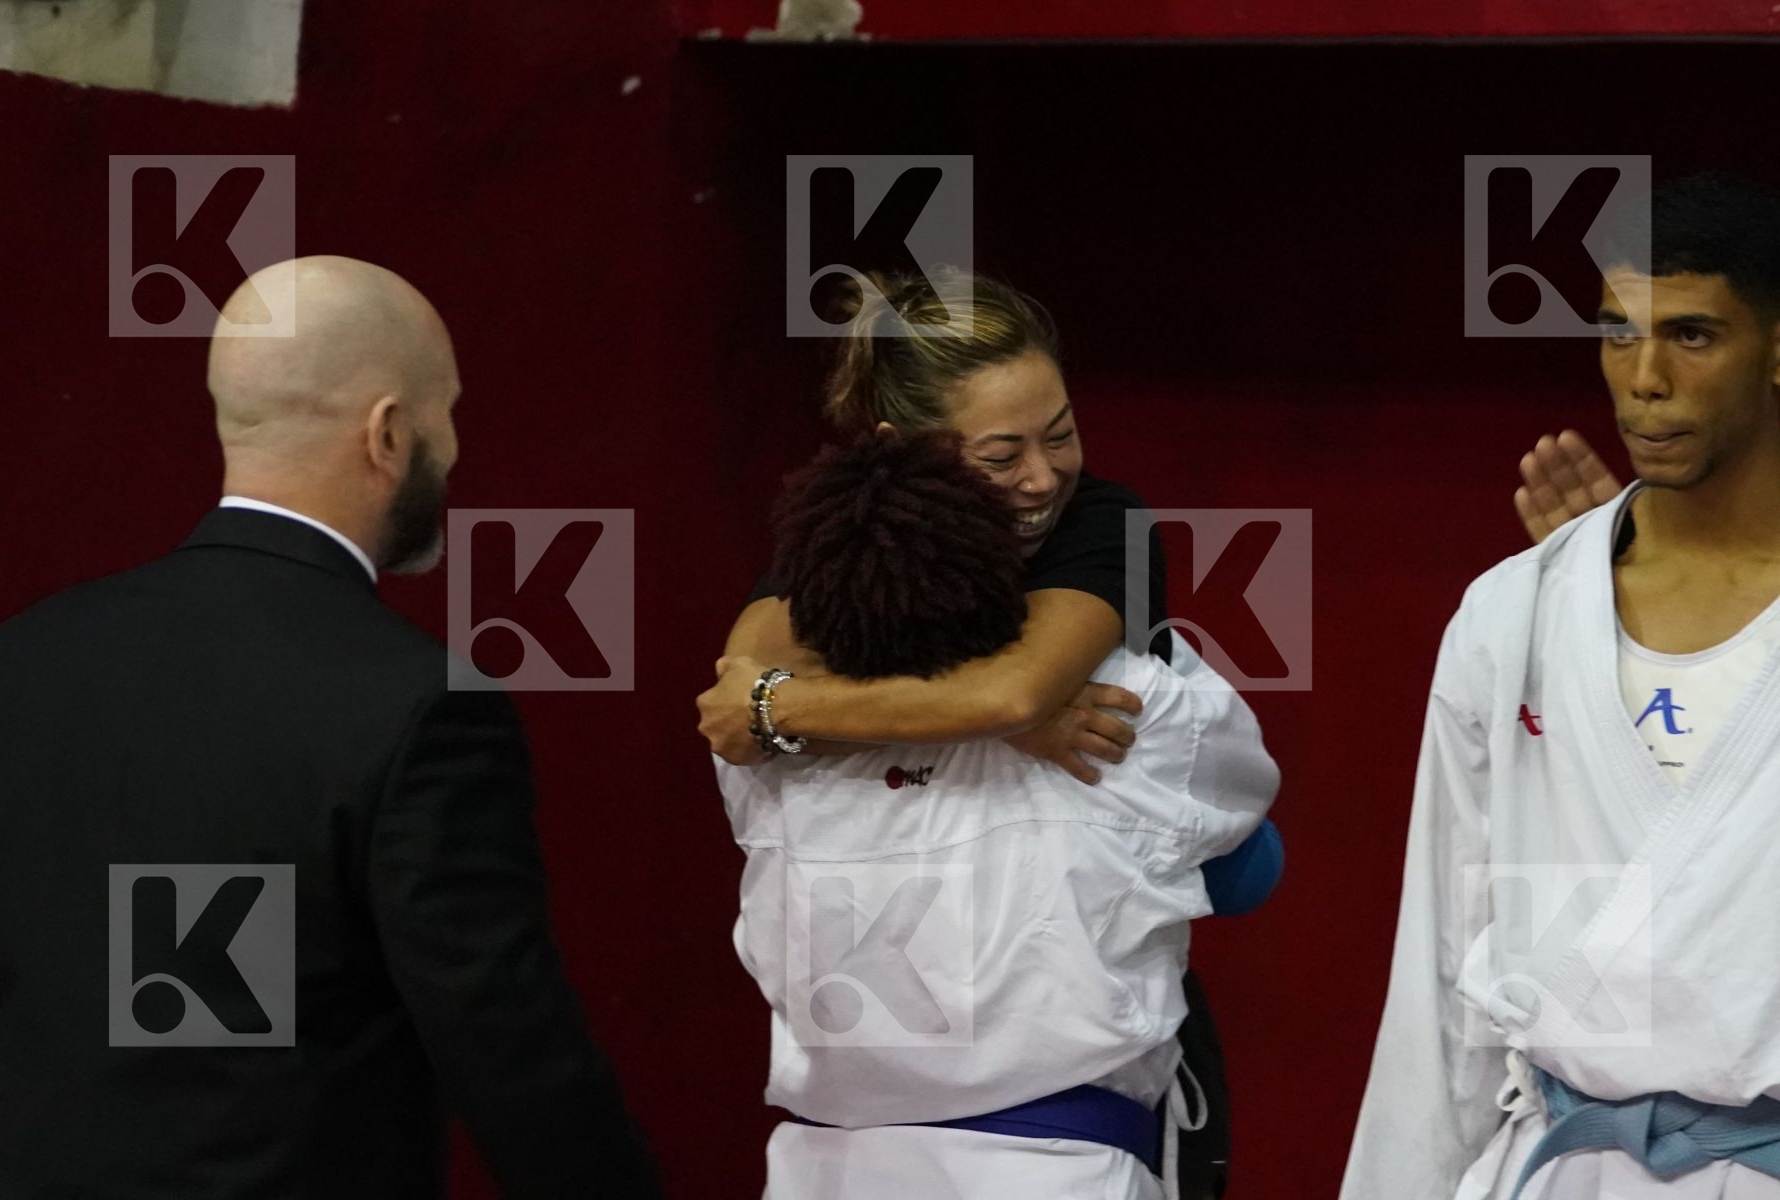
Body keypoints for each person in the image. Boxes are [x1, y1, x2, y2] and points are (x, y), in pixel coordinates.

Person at [0, 257, 661, 1198]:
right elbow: (509, 1050)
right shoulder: (420, 705)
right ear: (387, 432)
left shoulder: (23, 660)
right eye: (447, 410)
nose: (456, 447)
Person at [695, 268, 1265, 1197]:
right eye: (1001, 455)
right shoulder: (816, 569)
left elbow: (1009, 693)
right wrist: (989, 725)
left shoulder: (1102, 525)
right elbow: (737, 694)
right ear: (899, 451)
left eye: (1063, 432)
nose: (1043, 475)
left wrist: (791, 711)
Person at [1342, 173, 1780, 1199]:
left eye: (1693, 337)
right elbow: (1441, 966)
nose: (1644, 379)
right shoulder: (1517, 611)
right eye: (1617, 334)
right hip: (1556, 1161)